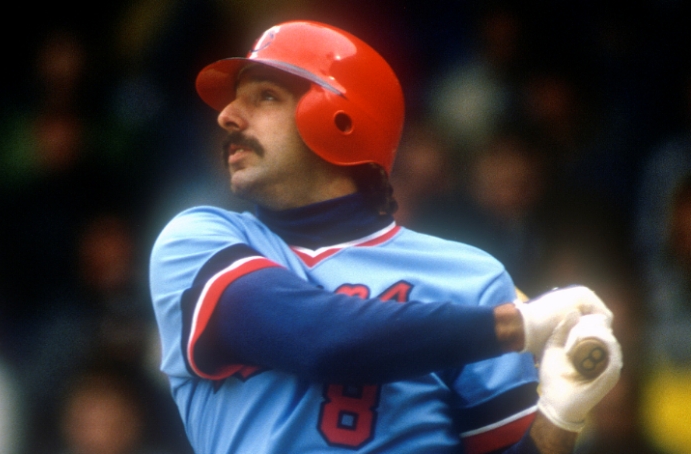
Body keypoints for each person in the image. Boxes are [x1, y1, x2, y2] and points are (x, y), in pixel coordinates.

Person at [149, 20, 622, 453]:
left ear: (339, 117)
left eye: (265, 96)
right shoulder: (196, 241)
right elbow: (319, 338)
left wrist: (561, 414)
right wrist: (518, 328)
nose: (227, 116)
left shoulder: (470, 277)